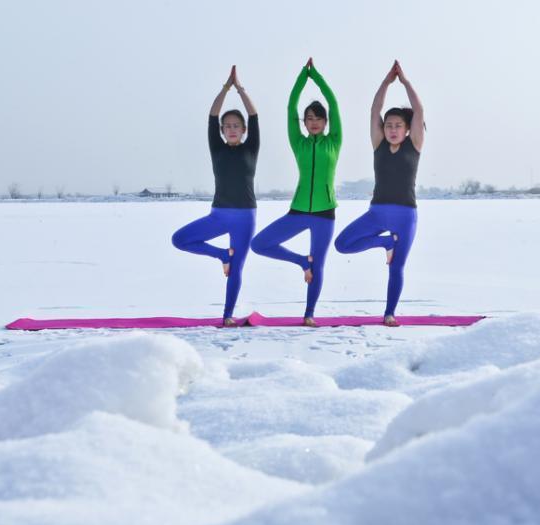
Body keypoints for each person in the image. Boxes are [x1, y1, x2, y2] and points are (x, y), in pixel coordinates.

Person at [250, 58, 341, 327]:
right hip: (299, 211)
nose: (313, 122)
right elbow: (291, 106)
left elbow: (333, 104)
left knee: (319, 266)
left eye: (318, 118)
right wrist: (303, 76)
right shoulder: (299, 143)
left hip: (325, 213)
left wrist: (318, 78)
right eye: (309, 119)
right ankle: (302, 260)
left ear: (326, 122)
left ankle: (309, 314)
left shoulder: (334, 142)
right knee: (259, 244)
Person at [334, 60, 425, 327]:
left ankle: (389, 313)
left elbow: (419, 110)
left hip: (405, 217)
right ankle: (386, 243)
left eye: (398, 125)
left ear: (407, 129)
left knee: (396, 268)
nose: (393, 130)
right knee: (342, 245)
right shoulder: (378, 145)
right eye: (389, 126)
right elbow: (375, 109)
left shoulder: (415, 145)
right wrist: (386, 82)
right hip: (377, 214)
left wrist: (405, 83)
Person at [172, 65, 259, 327]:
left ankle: (227, 315)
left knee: (237, 269)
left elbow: (254, 115)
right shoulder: (217, 149)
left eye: (236, 126)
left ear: (243, 130)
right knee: (180, 239)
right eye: (227, 126)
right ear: (222, 131)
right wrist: (225, 88)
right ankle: (221, 254)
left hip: (245, 216)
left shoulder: (251, 148)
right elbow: (212, 115)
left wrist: (241, 90)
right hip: (219, 214)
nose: (232, 129)